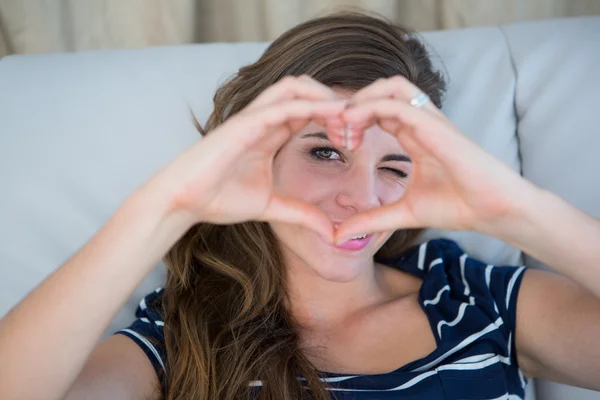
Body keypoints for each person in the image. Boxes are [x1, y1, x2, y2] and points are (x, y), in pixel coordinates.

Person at [1, 11, 600, 400]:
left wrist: (515, 210)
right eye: (326, 153)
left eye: (394, 167)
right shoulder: (180, 333)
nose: (360, 197)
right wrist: (171, 204)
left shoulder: (474, 298)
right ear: (259, 151)